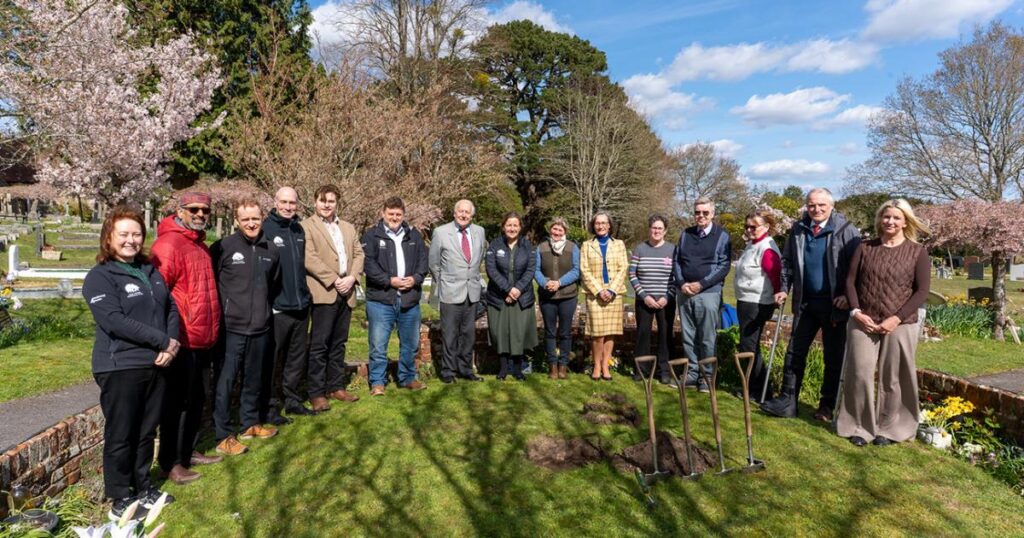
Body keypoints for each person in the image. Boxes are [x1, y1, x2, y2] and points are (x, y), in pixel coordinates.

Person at [83, 206, 180, 520]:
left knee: (146, 431)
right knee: (122, 432)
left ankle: (144, 488)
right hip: (120, 365)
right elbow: (114, 321)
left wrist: (172, 343)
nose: (131, 240)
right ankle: (120, 497)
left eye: (136, 233)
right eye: (123, 234)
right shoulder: (100, 277)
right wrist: (161, 340)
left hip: (156, 363)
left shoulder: (150, 270)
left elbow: (170, 309)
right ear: (108, 238)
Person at [761, 188, 861, 421]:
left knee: (833, 357)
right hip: (805, 302)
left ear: (831, 206)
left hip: (835, 305)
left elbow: (858, 269)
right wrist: (784, 288)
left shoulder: (846, 230)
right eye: (811, 205)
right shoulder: (798, 229)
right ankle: (788, 400)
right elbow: (786, 262)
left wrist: (848, 296)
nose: (816, 209)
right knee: (794, 352)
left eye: (821, 205)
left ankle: (826, 405)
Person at [836, 199, 930, 447]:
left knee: (894, 377)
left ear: (905, 222)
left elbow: (922, 291)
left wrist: (895, 318)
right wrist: (856, 311)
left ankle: (890, 429)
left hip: (901, 323)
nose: (890, 221)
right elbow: (850, 282)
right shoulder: (864, 248)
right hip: (863, 320)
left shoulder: (917, 252)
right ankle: (859, 426)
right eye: (886, 217)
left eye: (896, 218)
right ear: (880, 219)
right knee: (860, 372)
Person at [151, 192, 222, 485]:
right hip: (182, 338)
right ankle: (170, 462)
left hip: (203, 338)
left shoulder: (200, 245)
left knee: (196, 400)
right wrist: (166, 337)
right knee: (176, 404)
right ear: (180, 211)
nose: (200, 214)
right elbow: (159, 295)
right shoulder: (168, 244)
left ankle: (187, 451)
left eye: (205, 210)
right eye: (194, 209)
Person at [209, 199, 281, 456]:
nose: (251, 223)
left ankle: (250, 423)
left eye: (255, 218)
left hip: (260, 327)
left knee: (253, 380)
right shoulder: (222, 247)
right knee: (225, 382)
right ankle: (223, 434)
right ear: (237, 221)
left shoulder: (271, 250)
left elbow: (273, 285)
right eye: (245, 219)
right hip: (231, 329)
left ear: (262, 218)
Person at [302, 185, 364, 412]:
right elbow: (309, 257)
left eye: (331, 201)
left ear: (337, 203)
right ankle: (316, 392)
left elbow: (359, 254)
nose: (327, 204)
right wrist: (334, 279)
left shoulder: (348, 227)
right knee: (319, 345)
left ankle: (335, 386)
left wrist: (352, 278)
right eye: (322, 200)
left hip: (346, 292)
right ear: (315, 202)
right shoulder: (306, 227)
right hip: (324, 292)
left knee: (339, 343)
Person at [361, 196, 429, 396]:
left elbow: (423, 261)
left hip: (409, 299)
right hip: (381, 299)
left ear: (403, 215)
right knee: (378, 344)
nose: (394, 217)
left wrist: (415, 278)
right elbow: (368, 264)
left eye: (398, 214)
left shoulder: (414, 235)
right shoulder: (371, 236)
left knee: (410, 343)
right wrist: (388, 280)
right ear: (383, 213)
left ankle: (407, 377)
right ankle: (377, 382)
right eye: (391, 214)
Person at [261, 187, 315, 419]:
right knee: (272, 360)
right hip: (278, 308)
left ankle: (292, 400)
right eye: (283, 202)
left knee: (296, 358)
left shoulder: (298, 229)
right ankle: (270, 407)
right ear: (275, 202)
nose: (288, 207)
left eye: (292, 203)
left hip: (301, 305)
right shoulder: (265, 229)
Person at [672, 198, 731, 392]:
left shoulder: (721, 236)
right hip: (685, 292)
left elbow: (724, 266)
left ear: (712, 214)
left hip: (708, 293)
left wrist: (701, 284)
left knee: (707, 337)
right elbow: (677, 261)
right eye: (698, 212)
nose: (701, 216)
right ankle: (692, 373)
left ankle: (707, 377)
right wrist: (682, 283)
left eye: (705, 213)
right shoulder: (686, 234)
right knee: (688, 336)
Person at [428, 199, 488, 384]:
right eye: (460, 211)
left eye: (467, 212)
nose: (463, 215)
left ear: (472, 215)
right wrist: (445, 283)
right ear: (454, 213)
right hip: (450, 291)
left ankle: (465, 369)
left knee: (468, 334)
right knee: (450, 334)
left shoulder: (479, 231)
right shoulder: (441, 232)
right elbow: (434, 263)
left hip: (472, 292)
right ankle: (448, 371)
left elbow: (479, 259)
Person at [733, 210, 782, 403]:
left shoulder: (766, 247)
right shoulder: (752, 245)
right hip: (746, 300)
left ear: (766, 227)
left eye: (754, 226)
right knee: (750, 345)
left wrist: (778, 293)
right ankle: (755, 386)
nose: (749, 230)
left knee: (749, 345)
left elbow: (775, 274)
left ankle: (758, 390)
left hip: (757, 303)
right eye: (747, 226)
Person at [485, 212, 538, 380]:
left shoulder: (527, 246)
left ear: (520, 228)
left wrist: (517, 290)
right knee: (501, 332)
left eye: (515, 225)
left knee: (518, 333)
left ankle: (517, 369)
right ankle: (502, 369)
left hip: (521, 297)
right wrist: (508, 289)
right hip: (499, 297)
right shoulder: (495, 245)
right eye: (509, 225)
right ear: (503, 227)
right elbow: (491, 270)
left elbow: (531, 270)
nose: (512, 228)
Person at [579, 211, 628, 381]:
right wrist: (599, 290)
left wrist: (612, 289)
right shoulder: (586, 245)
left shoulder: (619, 244)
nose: (600, 226)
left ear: (609, 225)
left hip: (614, 294)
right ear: (593, 225)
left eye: (604, 223)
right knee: (597, 333)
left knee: (610, 332)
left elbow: (624, 268)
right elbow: (584, 270)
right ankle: (597, 365)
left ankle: (606, 365)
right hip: (595, 294)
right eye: (597, 223)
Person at [629, 215, 677, 385]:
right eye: (654, 228)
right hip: (644, 301)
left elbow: (677, 277)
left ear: (665, 231)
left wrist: (667, 297)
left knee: (665, 336)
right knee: (643, 335)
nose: (656, 231)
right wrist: (644, 296)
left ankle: (664, 370)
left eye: (660, 228)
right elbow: (632, 274)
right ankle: (641, 370)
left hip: (666, 301)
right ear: (649, 229)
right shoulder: (639, 249)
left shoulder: (673, 250)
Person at [534, 217, 580, 379]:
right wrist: (546, 283)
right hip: (547, 297)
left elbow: (576, 270)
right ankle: (552, 366)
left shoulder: (573, 248)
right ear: (550, 230)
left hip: (568, 296)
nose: (557, 232)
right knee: (550, 332)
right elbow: (536, 270)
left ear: (565, 232)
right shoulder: (541, 247)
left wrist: (559, 283)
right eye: (554, 229)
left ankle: (563, 366)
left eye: (560, 230)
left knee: (566, 333)